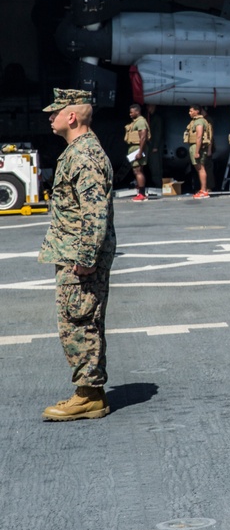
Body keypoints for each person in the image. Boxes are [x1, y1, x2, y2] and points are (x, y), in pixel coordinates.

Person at [38, 89, 116, 421]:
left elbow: (94, 213)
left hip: (79, 260)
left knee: (80, 323)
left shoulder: (83, 155)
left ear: (71, 117)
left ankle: (89, 396)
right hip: (73, 254)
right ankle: (89, 391)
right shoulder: (78, 151)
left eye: (55, 112)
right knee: (77, 321)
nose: (50, 117)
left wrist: (85, 259)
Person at [184, 105, 212, 198]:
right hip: (194, 146)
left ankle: (204, 190)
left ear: (197, 111)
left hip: (197, 146)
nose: (189, 113)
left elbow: (199, 136)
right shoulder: (195, 121)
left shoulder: (199, 121)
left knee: (201, 168)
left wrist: (197, 151)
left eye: (191, 111)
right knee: (199, 168)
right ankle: (203, 190)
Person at [124, 103, 149, 201]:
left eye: (132, 112)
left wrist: (140, 152)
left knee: (137, 170)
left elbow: (143, 137)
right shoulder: (135, 122)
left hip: (137, 148)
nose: (130, 114)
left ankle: (142, 194)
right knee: (137, 170)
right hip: (134, 147)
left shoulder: (141, 122)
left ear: (137, 111)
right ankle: (140, 191)